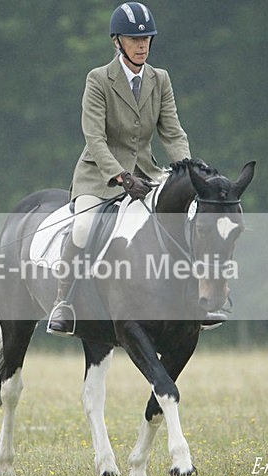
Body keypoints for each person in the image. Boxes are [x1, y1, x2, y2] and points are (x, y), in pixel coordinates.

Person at [47, 2, 220, 335]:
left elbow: (172, 131)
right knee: (83, 228)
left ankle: (198, 300)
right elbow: (94, 138)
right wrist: (120, 176)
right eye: (134, 40)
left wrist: (188, 170)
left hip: (146, 173)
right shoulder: (98, 79)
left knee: (187, 219)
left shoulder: (160, 79)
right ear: (117, 41)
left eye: (146, 39)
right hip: (99, 176)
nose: (142, 46)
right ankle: (63, 302)